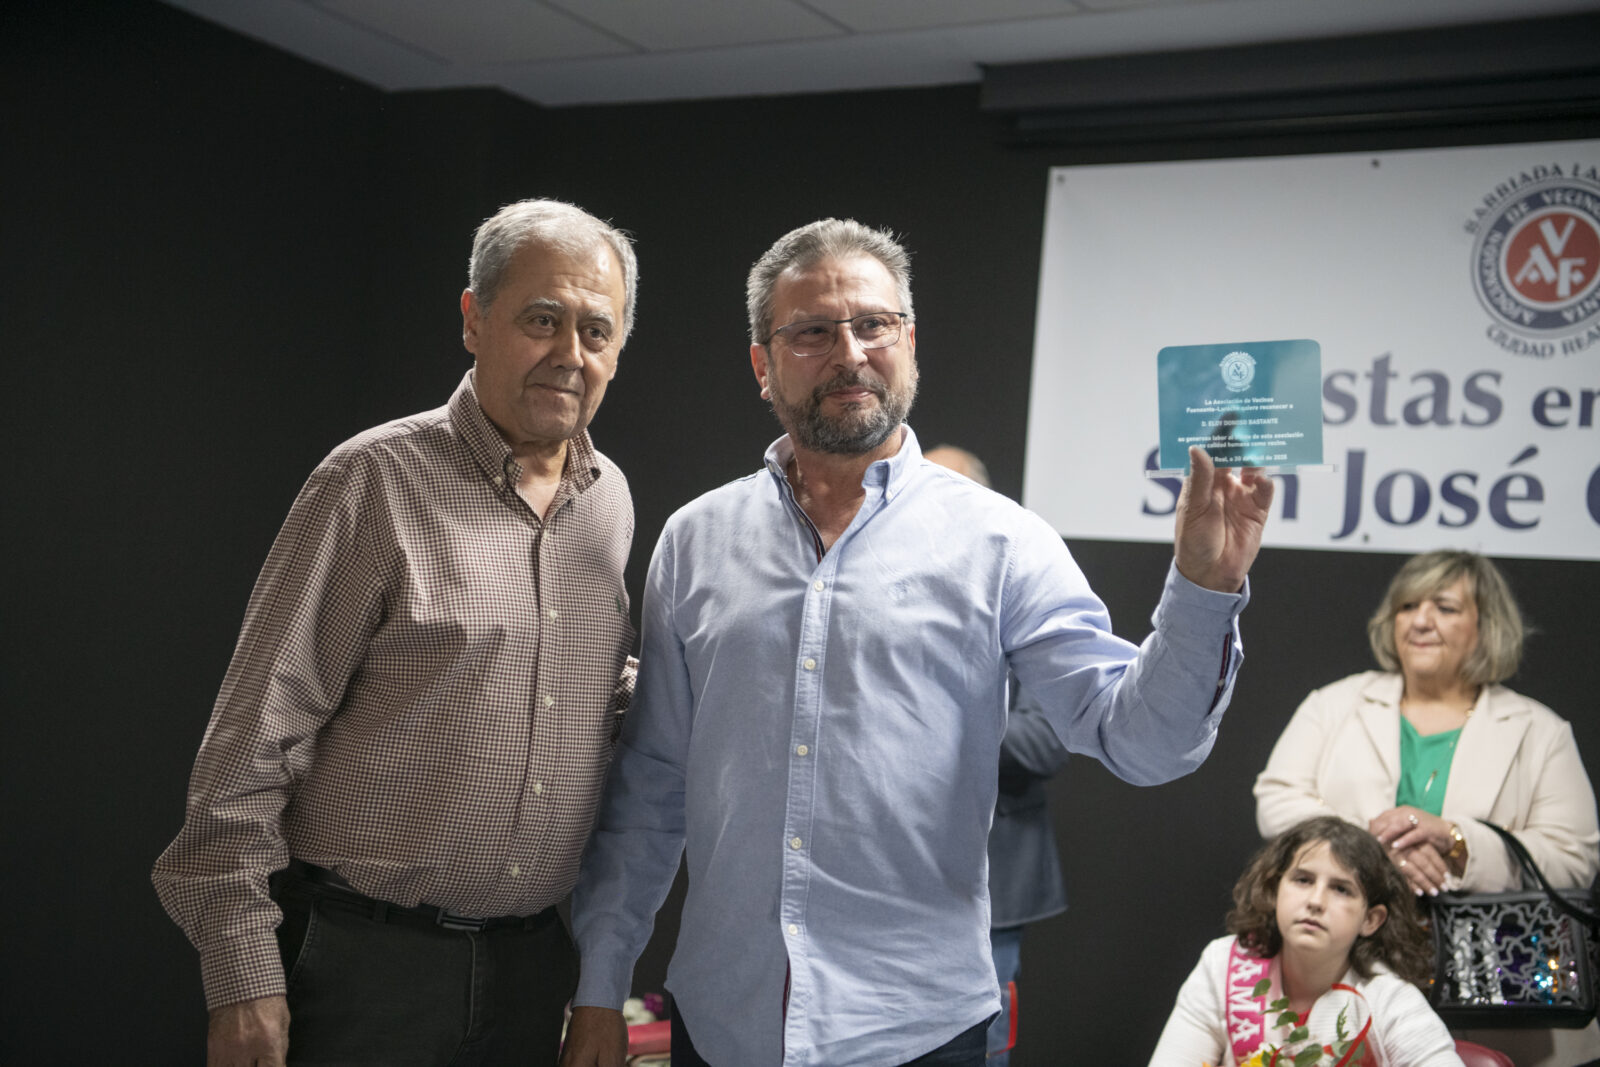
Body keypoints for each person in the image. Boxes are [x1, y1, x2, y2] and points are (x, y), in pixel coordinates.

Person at [560, 218, 1274, 1066]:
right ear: (762, 364)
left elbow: (1143, 741)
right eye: (812, 332)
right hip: (724, 1023)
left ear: (910, 342)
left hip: (919, 1030)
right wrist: (599, 984)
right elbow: (650, 787)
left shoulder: (1002, 542)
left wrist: (1203, 588)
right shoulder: (696, 540)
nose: (850, 352)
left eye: (874, 324)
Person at [152, 198, 640, 1067]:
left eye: (596, 331)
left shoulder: (609, 502)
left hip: (531, 970)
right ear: (474, 320)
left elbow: (581, 691)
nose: (571, 353)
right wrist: (241, 974)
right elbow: (251, 739)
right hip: (364, 968)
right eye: (543, 320)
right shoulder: (371, 482)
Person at [1254, 549, 1600, 1067]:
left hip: (1499, 994)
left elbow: (1574, 858)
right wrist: (1370, 852)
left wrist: (1458, 843)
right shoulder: (1333, 705)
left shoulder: (1540, 731)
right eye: (1408, 606)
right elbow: (1276, 800)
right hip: (1346, 985)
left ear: (1486, 627)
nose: (1420, 620)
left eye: (1445, 607)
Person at [924, 444, 1070, 1067]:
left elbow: (1047, 740)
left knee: (979, 1050)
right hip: (884, 879)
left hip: (992, 890)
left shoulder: (1026, 591)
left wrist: (936, 722)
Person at [1149, 816, 1464, 1066]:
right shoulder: (1222, 965)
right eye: (1303, 880)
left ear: (1371, 919)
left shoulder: (1389, 1000)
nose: (1315, 901)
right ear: (1276, 890)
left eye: (1341, 889)